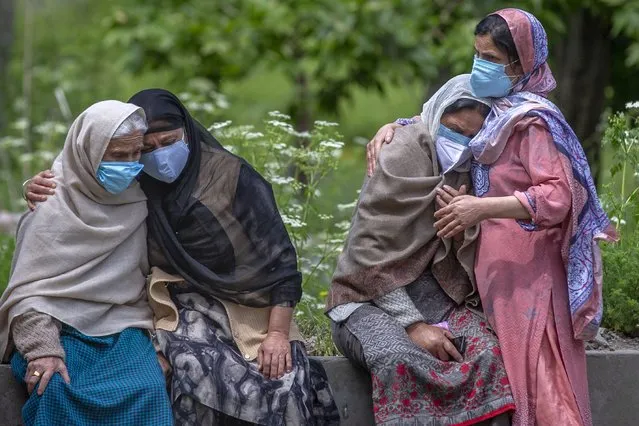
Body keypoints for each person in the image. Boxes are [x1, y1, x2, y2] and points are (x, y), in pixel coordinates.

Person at [24, 89, 339, 425]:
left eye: (170, 141)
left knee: (281, 382)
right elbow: (87, 173)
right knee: (193, 370)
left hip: (250, 304)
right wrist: (34, 185)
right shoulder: (134, 181)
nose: (159, 157)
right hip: (179, 301)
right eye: (147, 148)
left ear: (187, 131)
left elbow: (282, 264)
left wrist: (277, 334)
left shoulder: (230, 178)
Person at [365, 9, 617, 426]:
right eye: (477, 54)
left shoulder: (531, 120)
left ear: (521, 64)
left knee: (544, 383)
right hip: (496, 277)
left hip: (530, 277)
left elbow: (557, 196)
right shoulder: (495, 110)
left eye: (492, 60)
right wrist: (390, 127)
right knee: (518, 386)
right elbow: (437, 119)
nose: (480, 67)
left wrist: (482, 208)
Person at [327, 75, 514, 426]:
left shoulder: (471, 170)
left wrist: (464, 225)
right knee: (399, 357)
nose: (462, 143)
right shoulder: (398, 154)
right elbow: (367, 253)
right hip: (365, 297)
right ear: (437, 114)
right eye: (456, 130)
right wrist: (413, 325)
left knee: (488, 354)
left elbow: (471, 257)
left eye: (473, 137)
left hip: (435, 294)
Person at [0, 101, 173, 426]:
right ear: (87, 153)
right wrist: (43, 349)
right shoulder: (49, 207)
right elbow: (28, 297)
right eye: (118, 156)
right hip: (56, 331)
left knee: (147, 388)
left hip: (124, 329)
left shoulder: (143, 198)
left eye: (136, 153)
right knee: (54, 385)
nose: (130, 164)